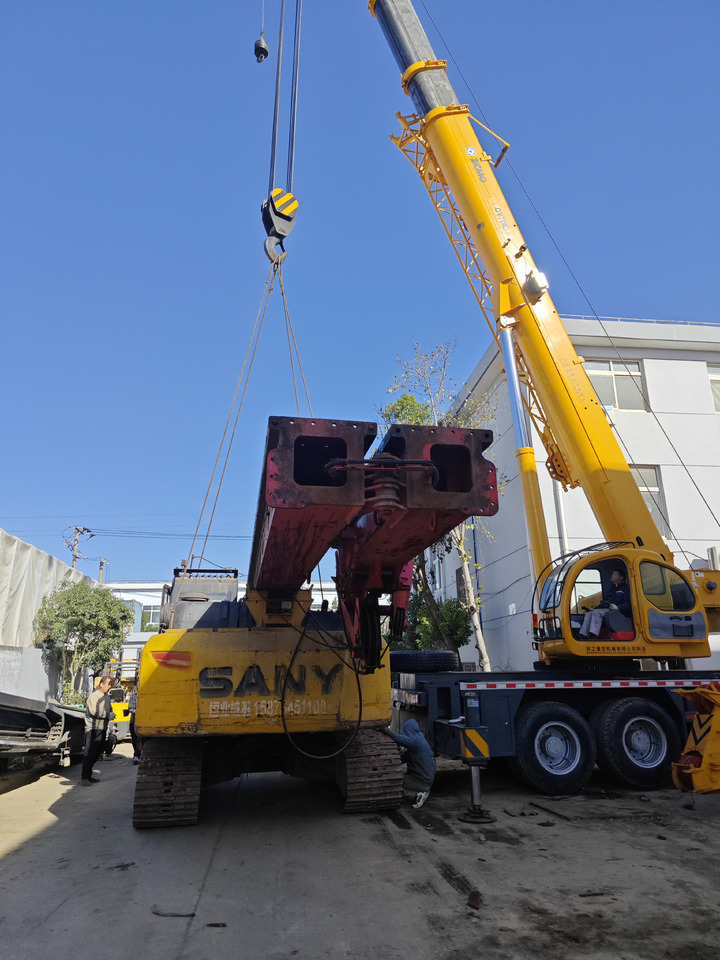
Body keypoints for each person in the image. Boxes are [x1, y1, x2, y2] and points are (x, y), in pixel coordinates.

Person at [382, 719, 435, 809]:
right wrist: (389, 762)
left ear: (409, 730)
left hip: (422, 780)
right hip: (425, 777)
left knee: (395, 781)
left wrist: (383, 729)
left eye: (405, 731)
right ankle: (421, 790)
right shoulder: (419, 740)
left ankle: (422, 791)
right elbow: (404, 757)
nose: (405, 733)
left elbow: (397, 738)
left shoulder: (415, 741)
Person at [579, 568, 632, 638]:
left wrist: (618, 607)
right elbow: (605, 602)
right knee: (589, 613)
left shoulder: (625, 589)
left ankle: (594, 635)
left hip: (619, 612)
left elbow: (628, 604)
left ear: (621, 577)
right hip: (609, 610)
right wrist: (594, 609)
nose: (612, 575)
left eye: (614, 574)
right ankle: (584, 635)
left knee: (596, 613)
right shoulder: (612, 589)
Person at [81, 675, 113, 785]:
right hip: (93, 728)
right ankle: (84, 778)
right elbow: (94, 712)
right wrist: (108, 715)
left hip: (102, 728)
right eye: (108, 684)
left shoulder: (107, 697)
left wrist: (111, 714)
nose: (109, 687)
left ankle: (89, 775)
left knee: (97, 753)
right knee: (89, 753)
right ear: (101, 684)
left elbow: (110, 709)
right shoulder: (94, 696)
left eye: (110, 685)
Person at [128, 673, 142, 764]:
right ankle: (136, 754)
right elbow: (131, 708)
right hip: (136, 717)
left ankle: (137, 754)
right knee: (135, 737)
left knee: (141, 738)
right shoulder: (134, 695)